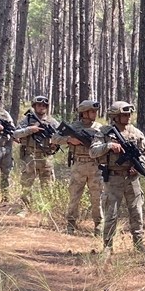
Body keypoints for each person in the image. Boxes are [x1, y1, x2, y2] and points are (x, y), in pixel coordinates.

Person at [91, 101, 145, 254]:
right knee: (111, 214)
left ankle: (139, 244)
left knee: (137, 212)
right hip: (113, 179)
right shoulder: (104, 133)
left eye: (129, 114)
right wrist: (109, 146)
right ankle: (108, 247)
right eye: (124, 114)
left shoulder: (136, 133)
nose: (128, 117)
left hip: (132, 179)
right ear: (115, 116)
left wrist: (139, 167)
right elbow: (93, 152)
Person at [53, 100, 103, 235]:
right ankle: (70, 224)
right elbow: (54, 138)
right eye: (92, 111)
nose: (94, 114)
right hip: (78, 165)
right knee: (74, 197)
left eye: (95, 111)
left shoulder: (100, 127)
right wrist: (69, 140)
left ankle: (99, 226)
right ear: (84, 113)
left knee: (97, 197)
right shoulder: (74, 127)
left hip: (95, 166)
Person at [13, 95, 61, 197]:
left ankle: (46, 209)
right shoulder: (27, 120)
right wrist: (30, 129)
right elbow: (15, 134)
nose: (41, 107)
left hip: (46, 157)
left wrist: (55, 142)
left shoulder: (52, 122)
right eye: (39, 105)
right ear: (34, 106)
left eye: (44, 105)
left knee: (48, 186)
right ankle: (25, 208)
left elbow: (62, 136)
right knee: (26, 185)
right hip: (31, 157)